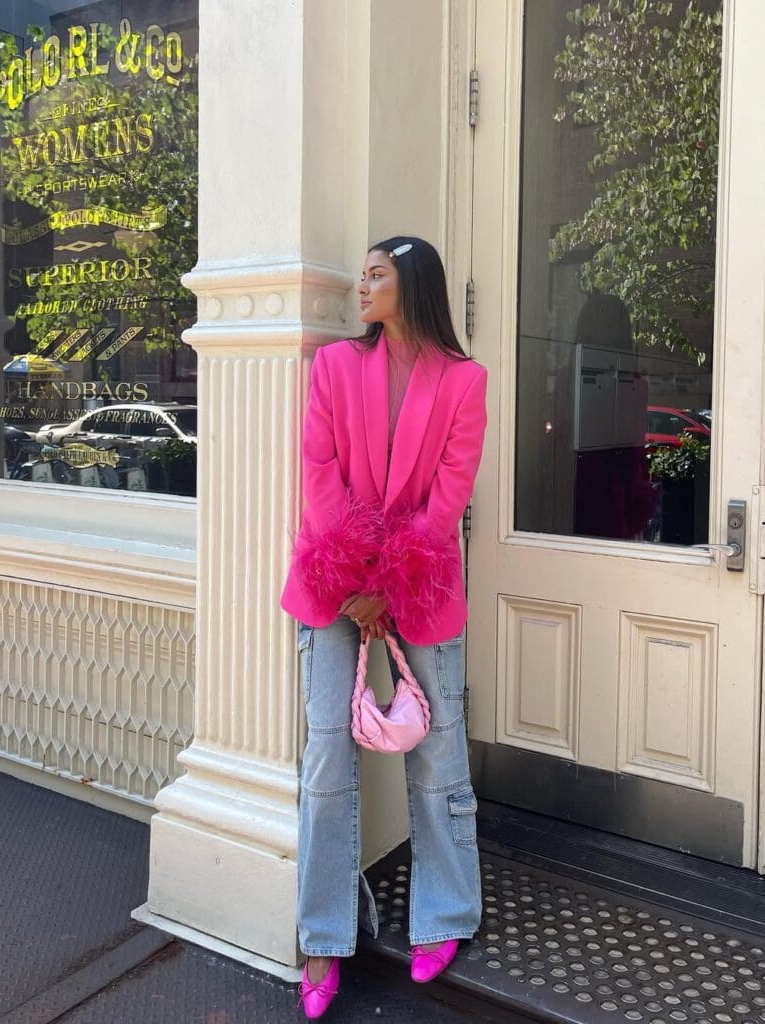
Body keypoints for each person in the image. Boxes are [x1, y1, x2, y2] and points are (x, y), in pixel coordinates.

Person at [281, 235, 488, 1019]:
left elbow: (448, 495)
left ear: (413, 284)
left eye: (375, 274)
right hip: (331, 585)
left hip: (423, 586)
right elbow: (319, 472)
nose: (360, 285)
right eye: (362, 274)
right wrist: (360, 581)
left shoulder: (465, 382)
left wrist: (392, 582)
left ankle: (445, 915)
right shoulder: (333, 366)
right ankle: (322, 938)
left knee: (438, 757)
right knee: (327, 758)